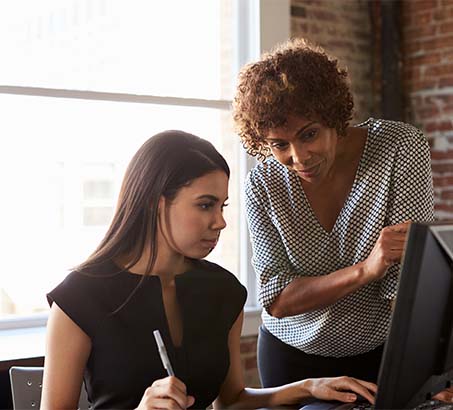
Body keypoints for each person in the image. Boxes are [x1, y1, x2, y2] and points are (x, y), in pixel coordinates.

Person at [41, 130, 378, 410]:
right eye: (205, 205)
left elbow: (231, 401)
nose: (220, 222)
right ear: (154, 202)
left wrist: (309, 387)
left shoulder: (223, 291)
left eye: (221, 206)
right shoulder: (79, 299)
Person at [232, 38, 436, 388]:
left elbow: (405, 283)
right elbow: (277, 299)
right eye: (280, 145)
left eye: (308, 134)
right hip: (290, 360)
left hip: (381, 353)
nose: (300, 157)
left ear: (333, 115)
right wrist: (367, 269)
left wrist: (428, 372)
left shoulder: (399, 147)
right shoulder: (262, 185)